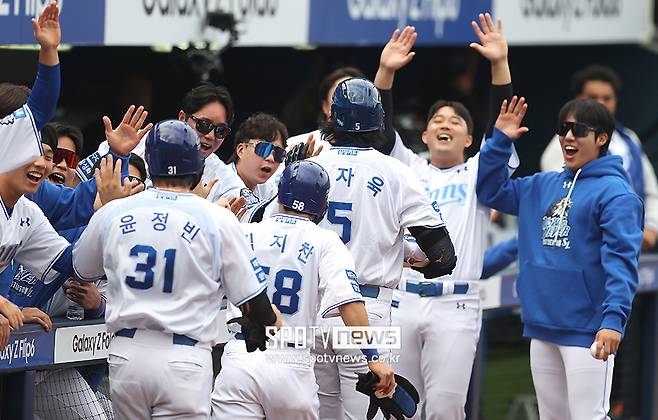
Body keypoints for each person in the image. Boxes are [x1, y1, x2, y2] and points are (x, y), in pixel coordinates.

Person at [71, 119, 281, 420]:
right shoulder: (217, 218)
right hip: (184, 357)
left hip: (126, 355)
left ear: (150, 162)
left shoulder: (114, 210)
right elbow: (254, 301)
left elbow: (81, 268)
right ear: (196, 166)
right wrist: (267, 321)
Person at [383, 13, 517, 419]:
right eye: (437, 121)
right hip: (403, 299)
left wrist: (499, 66)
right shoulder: (410, 166)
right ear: (424, 136)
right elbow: (380, 130)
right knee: (396, 404)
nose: (445, 125)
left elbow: (502, 131)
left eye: (455, 121)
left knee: (444, 408)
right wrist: (384, 73)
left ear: (469, 138)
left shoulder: (478, 169)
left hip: (455, 304)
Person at [477, 96, 643, 419]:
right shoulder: (541, 185)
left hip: (589, 331)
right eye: (563, 128)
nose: (568, 136)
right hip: (541, 327)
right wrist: (501, 141)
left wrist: (613, 320)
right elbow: (489, 191)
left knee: (589, 417)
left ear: (601, 138)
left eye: (578, 129)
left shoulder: (617, 194)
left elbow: (622, 262)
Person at [305, 77, 456, 419]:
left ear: (333, 118)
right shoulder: (395, 171)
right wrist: (409, 257)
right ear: (378, 121)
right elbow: (443, 255)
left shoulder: (311, 168)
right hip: (366, 310)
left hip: (311, 309)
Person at [211, 160, 395, 420]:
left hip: (240, 355)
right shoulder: (326, 241)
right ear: (324, 206)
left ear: (280, 196)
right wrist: (373, 357)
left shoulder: (244, 231)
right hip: (291, 362)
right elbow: (349, 302)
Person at [540, 64, 658, 252]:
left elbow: (651, 190)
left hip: (631, 244)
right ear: (580, 99)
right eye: (593, 97)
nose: (601, 103)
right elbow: (561, 197)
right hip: (588, 246)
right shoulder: (565, 142)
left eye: (607, 98)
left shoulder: (629, 138)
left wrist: (651, 227)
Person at [81, 82, 245, 201]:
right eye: (204, 125)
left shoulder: (226, 179)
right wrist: (117, 153)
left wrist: (202, 207)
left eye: (220, 131)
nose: (210, 135)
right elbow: (77, 182)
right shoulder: (133, 143)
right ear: (182, 117)